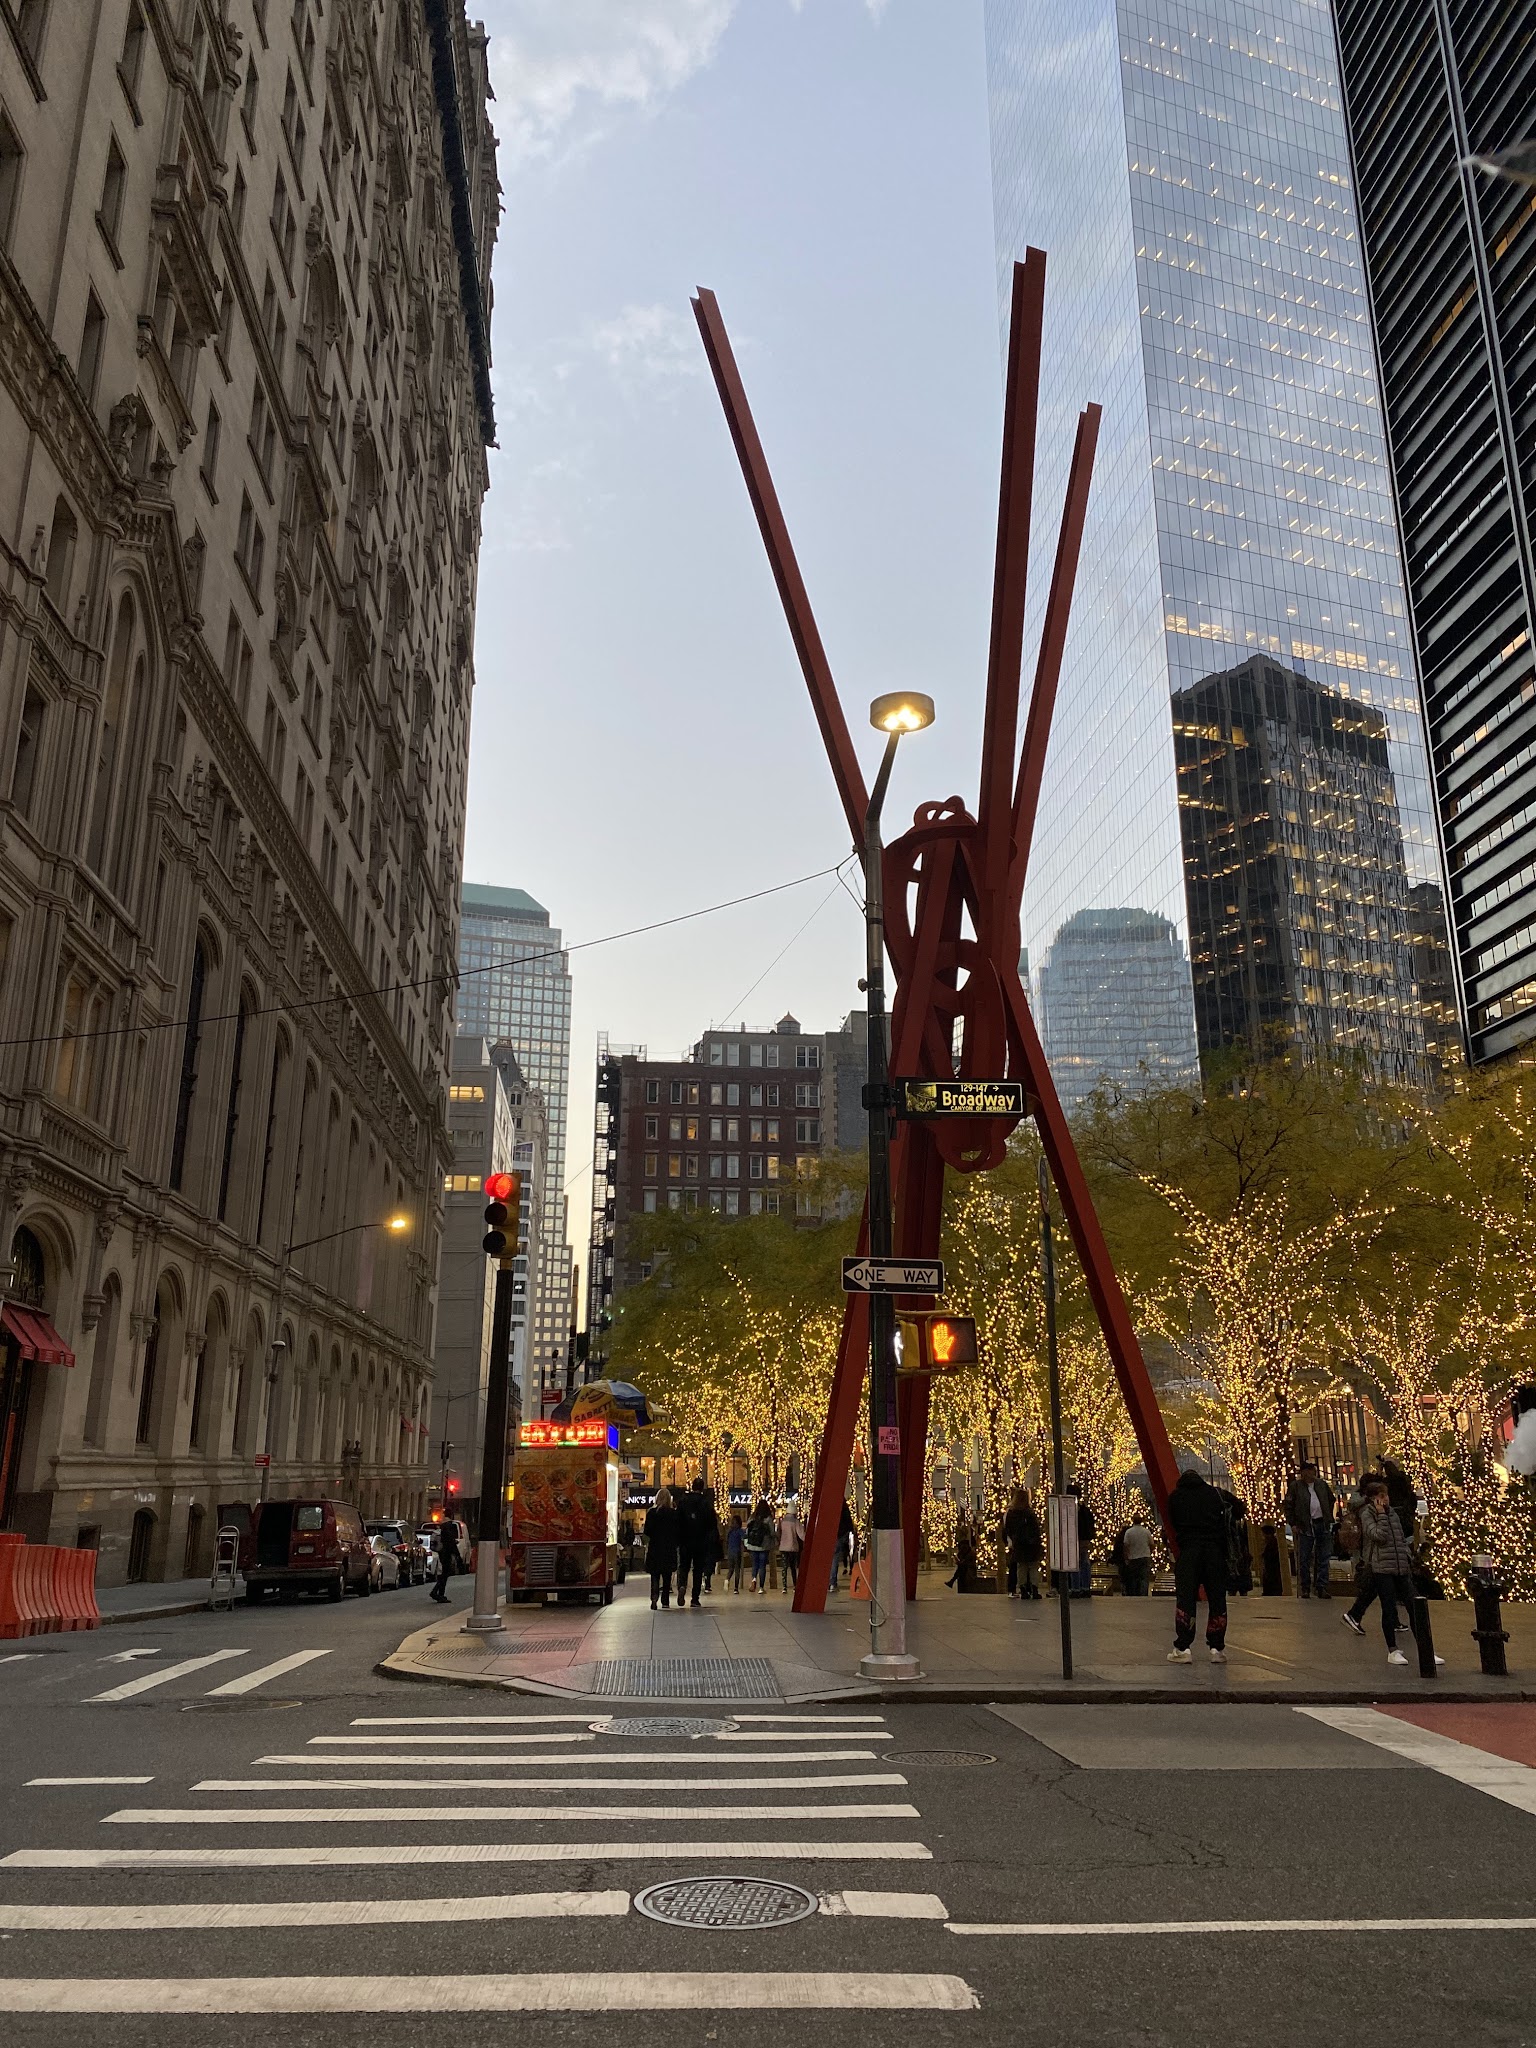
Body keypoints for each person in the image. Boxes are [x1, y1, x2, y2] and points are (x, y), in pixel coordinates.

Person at [1341, 1476, 1438, 1665]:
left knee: (1414, 1605)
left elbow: (1399, 1537)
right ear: (1372, 1498)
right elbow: (1378, 1536)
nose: (1385, 1499)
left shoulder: (1392, 1512)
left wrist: (1406, 1557)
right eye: (1381, 1496)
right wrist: (1382, 1515)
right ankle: (1392, 1650)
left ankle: (1426, 1650)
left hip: (1400, 1565)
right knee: (1388, 1607)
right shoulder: (1368, 1513)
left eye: (1386, 1495)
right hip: (1382, 1567)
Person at [1166, 1468, 1234, 1662]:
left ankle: (1183, 1647)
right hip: (1214, 1552)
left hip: (1189, 1551)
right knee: (1217, 1598)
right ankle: (1216, 1648)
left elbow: (1174, 1524)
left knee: (1186, 1598)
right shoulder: (1213, 1494)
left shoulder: (1176, 1497)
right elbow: (1233, 1512)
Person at [1284, 1461, 1336, 1598]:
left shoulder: (1321, 1485)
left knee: (1323, 1556)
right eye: (1308, 1471)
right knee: (1305, 1558)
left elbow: (1331, 1500)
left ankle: (1322, 1586)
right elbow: (1288, 1505)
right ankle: (1305, 1587)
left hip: (1321, 1523)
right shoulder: (1296, 1487)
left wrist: (1328, 1515)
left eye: (1312, 1470)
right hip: (1305, 1526)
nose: (1310, 1474)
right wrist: (1293, 1523)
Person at [644, 1485, 680, 1610]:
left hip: (655, 1547)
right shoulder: (673, 1514)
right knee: (667, 1575)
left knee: (655, 1574)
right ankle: (665, 1600)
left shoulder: (652, 1513)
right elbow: (677, 1531)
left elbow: (647, 1531)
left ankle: (654, 1598)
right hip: (669, 1548)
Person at [1003, 1489, 1042, 1599]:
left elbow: (1007, 1528)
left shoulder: (1011, 1513)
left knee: (1021, 1567)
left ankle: (1023, 1588)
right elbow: (1036, 1529)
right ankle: (1034, 1588)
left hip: (1018, 1544)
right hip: (1031, 1544)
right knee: (1033, 1567)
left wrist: (1013, 1539)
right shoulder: (1029, 1512)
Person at [429, 1515, 463, 1603]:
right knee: (445, 1574)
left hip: (442, 1553)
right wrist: (457, 1555)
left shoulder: (442, 1528)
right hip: (446, 1553)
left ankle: (439, 1594)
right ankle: (437, 1593)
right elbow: (451, 1543)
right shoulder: (448, 1528)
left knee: (444, 1573)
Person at [1119, 1513, 1153, 1596]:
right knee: (1144, 1578)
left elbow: (1126, 1545)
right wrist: (1149, 1552)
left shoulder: (1129, 1532)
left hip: (1133, 1557)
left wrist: (1126, 1557)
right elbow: (1152, 1544)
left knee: (1133, 1578)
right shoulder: (1146, 1531)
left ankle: (1134, 1595)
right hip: (1145, 1556)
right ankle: (1143, 1595)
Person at [775, 1501, 804, 1593]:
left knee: (784, 1567)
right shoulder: (795, 1522)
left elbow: (778, 1533)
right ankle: (795, 1585)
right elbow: (801, 1535)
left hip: (783, 1547)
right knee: (793, 1567)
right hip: (793, 1547)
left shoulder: (782, 1521)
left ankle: (784, 1586)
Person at [745, 1498, 774, 1591]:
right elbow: (772, 1532)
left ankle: (753, 1580)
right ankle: (761, 1587)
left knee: (755, 1564)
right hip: (764, 1545)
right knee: (762, 1566)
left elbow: (747, 1529)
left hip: (753, 1545)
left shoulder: (753, 1517)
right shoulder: (768, 1518)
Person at [945, 1511, 977, 1592]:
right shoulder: (966, 1551)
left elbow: (965, 1563)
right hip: (966, 1569)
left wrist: (959, 1561)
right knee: (961, 1568)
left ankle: (952, 1581)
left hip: (969, 1572)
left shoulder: (969, 1553)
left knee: (961, 1568)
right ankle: (952, 1581)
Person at [831, 1498, 856, 1590]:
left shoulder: (831, 1508)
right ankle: (833, 1582)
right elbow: (849, 1523)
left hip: (832, 1535)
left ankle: (830, 1582)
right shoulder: (845, 1510)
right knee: (836, 1558)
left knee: (832, 1559)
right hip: (841, 1535)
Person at [724, 1510, 746, 1592]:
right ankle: (736, 1588)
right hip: (737, 1552)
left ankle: (727, 1579)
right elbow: (744, 1538)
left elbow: (727, 1541)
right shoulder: (739, 1531)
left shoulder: (730, 1531)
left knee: (730, 1569)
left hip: (730, 1551)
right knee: (737, 1569)